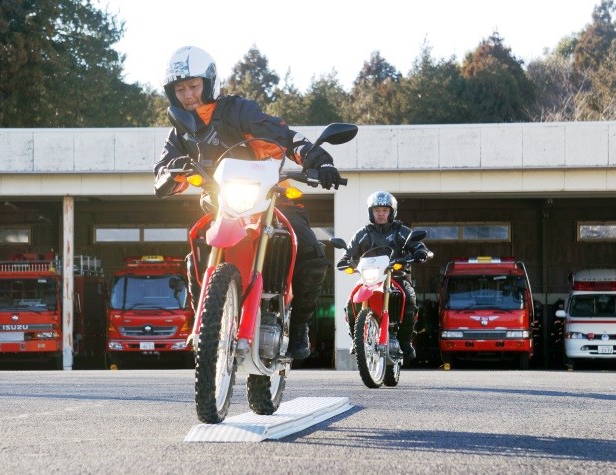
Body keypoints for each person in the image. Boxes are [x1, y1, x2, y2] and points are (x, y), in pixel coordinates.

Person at [153, 46, 344, 360]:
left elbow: (283, 135)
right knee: (196, 250)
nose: (188, 94)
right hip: (222, 203)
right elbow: (163, 169)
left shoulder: (238, 110)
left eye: (194, 86)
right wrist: (169, 176)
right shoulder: (180, 130)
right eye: (181, 89)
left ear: (209, 83)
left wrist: (317, 159)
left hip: (270, 197)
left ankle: (298, 327)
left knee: (312, 252)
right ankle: (204, 324)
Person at [336, 191, 428, 360]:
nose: (380, 213)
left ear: (391, 212)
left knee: (409, 298)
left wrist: (420, 251)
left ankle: (405, 343)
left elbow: (418, 245)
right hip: (369, 279)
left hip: (397, 276)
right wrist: (345, 261)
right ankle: (356, 340)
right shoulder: (362, 233)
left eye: (384, 210)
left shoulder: (401, 231)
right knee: (350, 303)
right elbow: (348, 253)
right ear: (370, 212)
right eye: (377, 210)